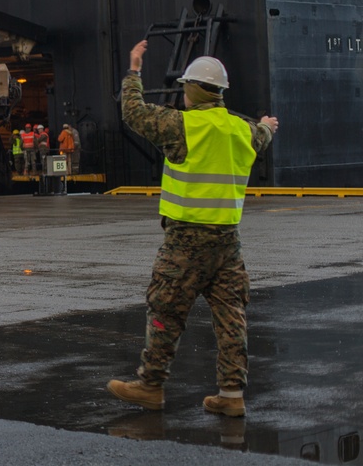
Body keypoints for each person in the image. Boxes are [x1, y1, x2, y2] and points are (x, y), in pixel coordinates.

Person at [107, 40, 278, 418]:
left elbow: (133, 112)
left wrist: (134, 70)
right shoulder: (242, 130)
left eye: (186, 87)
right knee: (231, 315)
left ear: (194, 90)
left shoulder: (182, 125)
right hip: (227, 241)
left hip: (186, 240)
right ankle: (231, 395)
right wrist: (267, 125)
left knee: (165, 309)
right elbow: (262, 136)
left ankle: (151, 385)